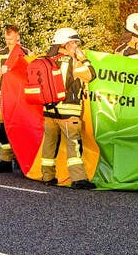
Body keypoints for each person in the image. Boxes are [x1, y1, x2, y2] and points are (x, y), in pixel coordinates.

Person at [40, 27, 96, 189]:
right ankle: (79, 179)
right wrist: (84, 59)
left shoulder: (47, 60)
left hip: (49, 111)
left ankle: (47, 176)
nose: (76, 46)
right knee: (74, 144)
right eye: (75, 43)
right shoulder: (73, 62)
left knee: (49, 144)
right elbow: (91, 75)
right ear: (67, 43)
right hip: (68, 112)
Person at [0, 24, 30, 173]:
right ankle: (5, 161)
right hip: (2, 96)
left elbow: (32, 74)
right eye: (6, 39)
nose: (8, 42)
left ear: (17, 36)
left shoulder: (26, 53)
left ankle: (21, 159)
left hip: (20, 98)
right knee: (3, 129)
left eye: (11, 39)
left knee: (20, 128)